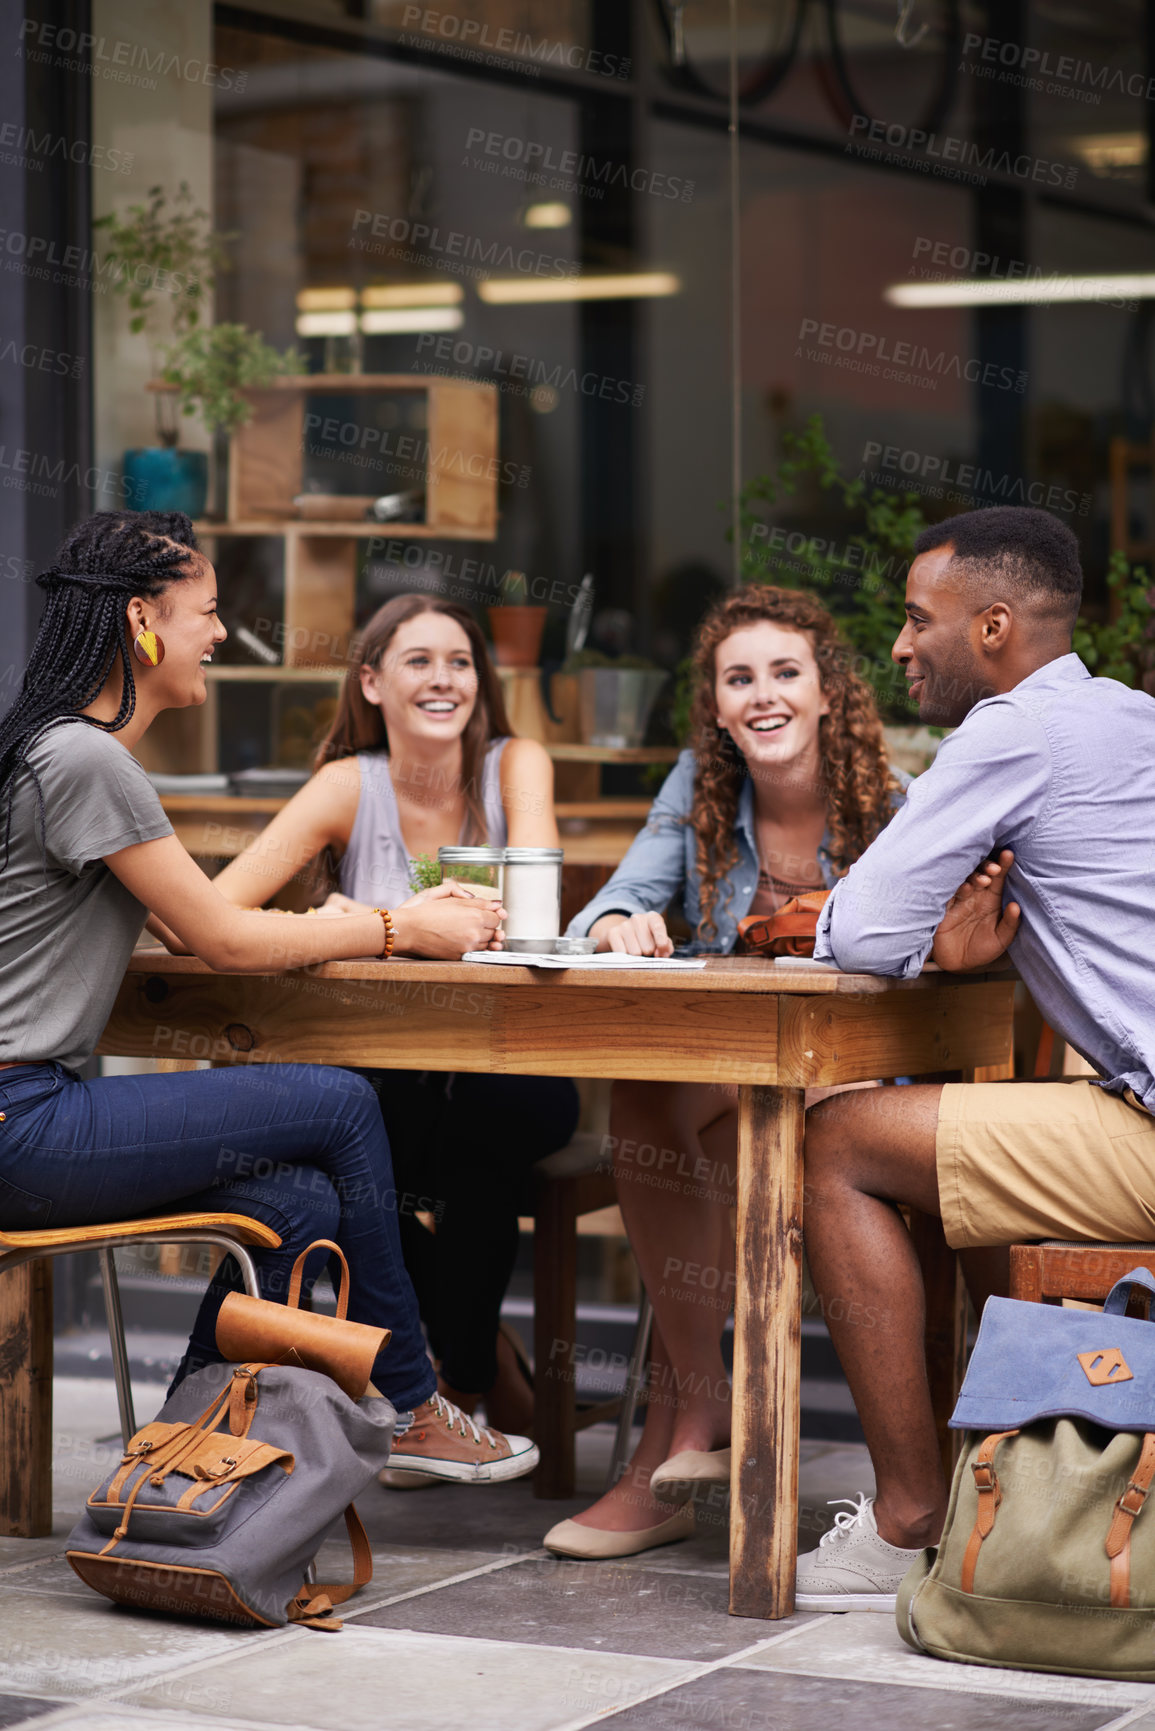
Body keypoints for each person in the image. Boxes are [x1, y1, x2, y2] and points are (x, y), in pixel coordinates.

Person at [0, 509, 537, 1486]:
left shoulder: (58, 751)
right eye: (207, 612)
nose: (219, 633)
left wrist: (340, 918)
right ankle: (416, 1404)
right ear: (142, 623)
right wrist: (395, 927)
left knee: (298, 1198)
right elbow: (220, 936)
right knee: (337, 1100)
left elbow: (183, 920)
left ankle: (174, 1461)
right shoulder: (85, 758)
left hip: (29, 1116)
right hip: (23, 1122)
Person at [795, 503, 1155, 1610]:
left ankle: (908, 1514)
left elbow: (860, 932)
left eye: (917, 620)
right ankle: (998, 1480)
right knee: (937, 1144)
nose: (900, 646)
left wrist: (932, 949)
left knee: (843, 1140)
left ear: (993, 627)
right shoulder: (1133, 714)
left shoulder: (1015, 732)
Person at [545, 585, 905, 1559]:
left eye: (784, 672)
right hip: (738, 1087)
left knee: (695, 1129)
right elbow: (608, 906)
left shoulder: (890, 799)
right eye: (737, 678)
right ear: (713, 703)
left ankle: (673, 1450)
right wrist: (621, 923)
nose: (762, 695)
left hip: (856, 1092)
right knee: (649, 1096)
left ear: (827, 689)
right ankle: (697, 1428)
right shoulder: (697, 791)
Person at [210, 594, 578, 1445]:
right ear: (372, 682)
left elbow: (535, 906)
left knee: (486, 1133)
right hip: (388, 1074)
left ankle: (460, 1378)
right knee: (351, 1149)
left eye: (459, 661)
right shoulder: (349, 784)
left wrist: (441, 917)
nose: (444, 679)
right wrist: (359, 923)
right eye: (419, 661)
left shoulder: (515, 763)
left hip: (508, 1063)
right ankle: (471, 1370)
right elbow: (220, 907)